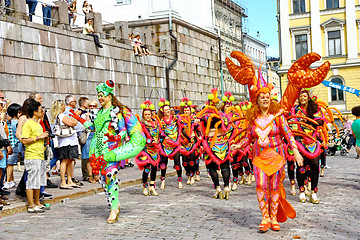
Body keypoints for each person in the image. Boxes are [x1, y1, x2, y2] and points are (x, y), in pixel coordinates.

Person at [69, 80, 146, 223]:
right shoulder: (99, 113)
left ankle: (114, 209)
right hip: (98, 150)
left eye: (102, 95)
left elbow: (123, 131)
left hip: (112, 149)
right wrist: (78, 118)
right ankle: (114, 204)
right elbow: (92, 127)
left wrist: (115, 136)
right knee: (105, 180)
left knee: (110, 176)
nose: (100, 98)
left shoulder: (117, 112)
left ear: (110, 96)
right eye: (98, 95)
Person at [197, 89, 234, 199]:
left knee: (212, 167)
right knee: (225, 165)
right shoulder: (224, 116)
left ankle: (218, 188)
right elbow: (230, 128)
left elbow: (200, 124)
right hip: (223, 142)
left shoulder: (207, 117)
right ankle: (226, 187)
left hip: (211, 144)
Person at [291, 90, 324, 203]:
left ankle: (314, 193)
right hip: (299, 141)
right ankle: (301, 191)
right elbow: (291, 123)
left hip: (313, 141)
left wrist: (310, 121)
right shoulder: (295, 110)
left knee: (315, 166)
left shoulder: (315, 108)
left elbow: (321, 121)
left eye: (304, 96)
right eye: (300, 96)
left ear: (308, 97)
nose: (302, 98)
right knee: (301, 166)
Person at [21, 99, 49, 213]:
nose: (42, 111)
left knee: (39, 181)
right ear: (34, 112)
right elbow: (24, 140)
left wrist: (45, 138)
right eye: (40, 109)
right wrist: (39, 137)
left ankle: (37, 202)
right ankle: (31, 204)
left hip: (40, 155)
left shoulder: (38, 124)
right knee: (32, 181)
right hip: (32, 156)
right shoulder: (28, 124)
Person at [135, 100, 161, 196]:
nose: (147, 116)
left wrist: (158, 140)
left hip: (155, 149)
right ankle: (144, 187)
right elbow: (140, 137)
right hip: (146, 149)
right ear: (143, 115)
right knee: (147, 168)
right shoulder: (141, 125)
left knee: (154, 168)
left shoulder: (156, 124)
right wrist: (149, 141)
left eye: (149, 114)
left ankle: (152, 186)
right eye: (145, 114)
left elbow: (160, 134)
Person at [157, 98, 183, 190]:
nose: (168, 111)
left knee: (177, 163)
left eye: (169, 109)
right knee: (163, 164)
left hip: (175, 145)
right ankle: (163, 180)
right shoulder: (161, 121)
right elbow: (159, 132)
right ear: (163, 112)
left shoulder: (175, 118)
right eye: (166, 110)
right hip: (165, 145)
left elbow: (181, 126)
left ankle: (180, 180)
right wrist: (164, 137)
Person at [57, 95, 80, 190]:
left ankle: (70, 180)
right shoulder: (61, 115)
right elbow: (73, 123)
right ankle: (63, 181)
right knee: (65, 160)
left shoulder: (63, 115)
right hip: (66, 141)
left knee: (71, 160)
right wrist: (77, 114)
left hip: (71, 140)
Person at [178, 98, 202, 186]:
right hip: (183, 142)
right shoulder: (180, 119)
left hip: (192, 141)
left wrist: (200, 137)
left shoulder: (194, 118)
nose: (186, 111)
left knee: (192, 160)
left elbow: (198, 129)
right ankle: (188, 174)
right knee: (184, 161)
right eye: (185, 110)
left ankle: (192, 176)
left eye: (188, 110)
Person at [3, 103, 22, 190]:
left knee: (10, 163)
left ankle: (12, 180)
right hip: (15, 144)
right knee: (10, 164)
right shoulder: (16, 122)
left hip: (11, 143)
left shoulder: (10, 122)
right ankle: (8, 181)